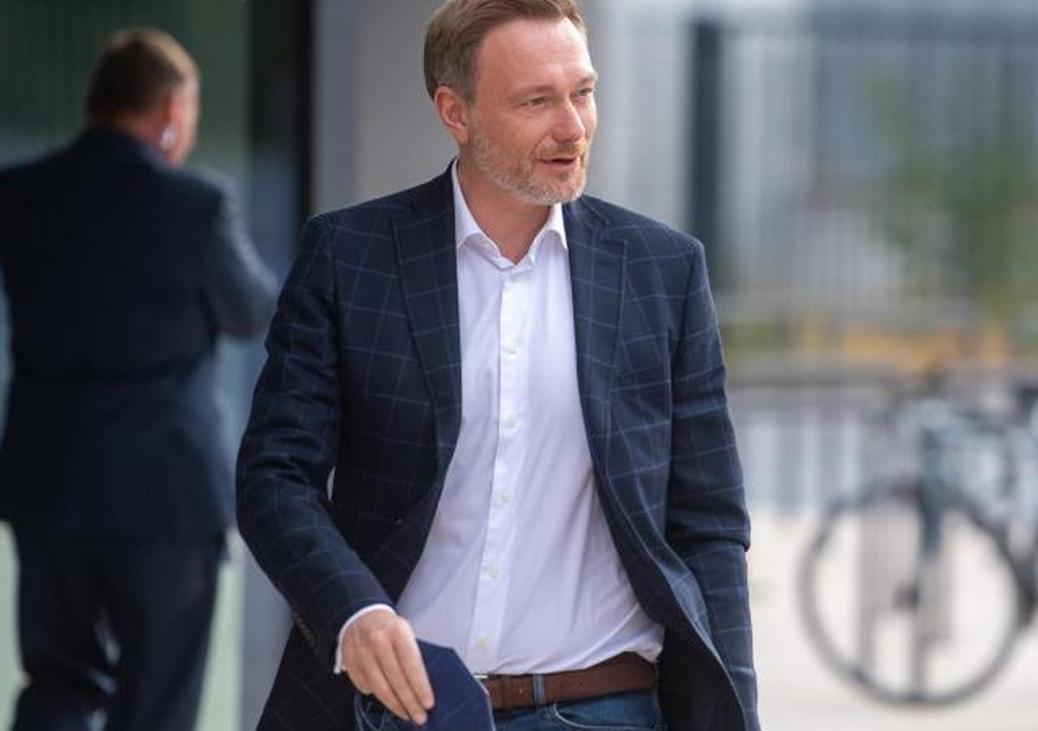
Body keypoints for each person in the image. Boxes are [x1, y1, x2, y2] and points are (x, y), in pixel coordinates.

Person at [235, 0, 758, 729]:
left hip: (604, 706)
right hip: (401, 710)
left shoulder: (662, 271)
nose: (573, 127)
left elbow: (709, 528)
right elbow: (275, 475)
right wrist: (352, 610)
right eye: (537, 101)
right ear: (457, 112)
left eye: (583, 92)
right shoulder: (352, 258)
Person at [0, 28, 277, 731]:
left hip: (49, 484)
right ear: (173, 111)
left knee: (57, 683)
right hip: (165, 496)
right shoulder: (196, 205)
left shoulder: (20, 195)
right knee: (159, 699)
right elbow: (252, 312)